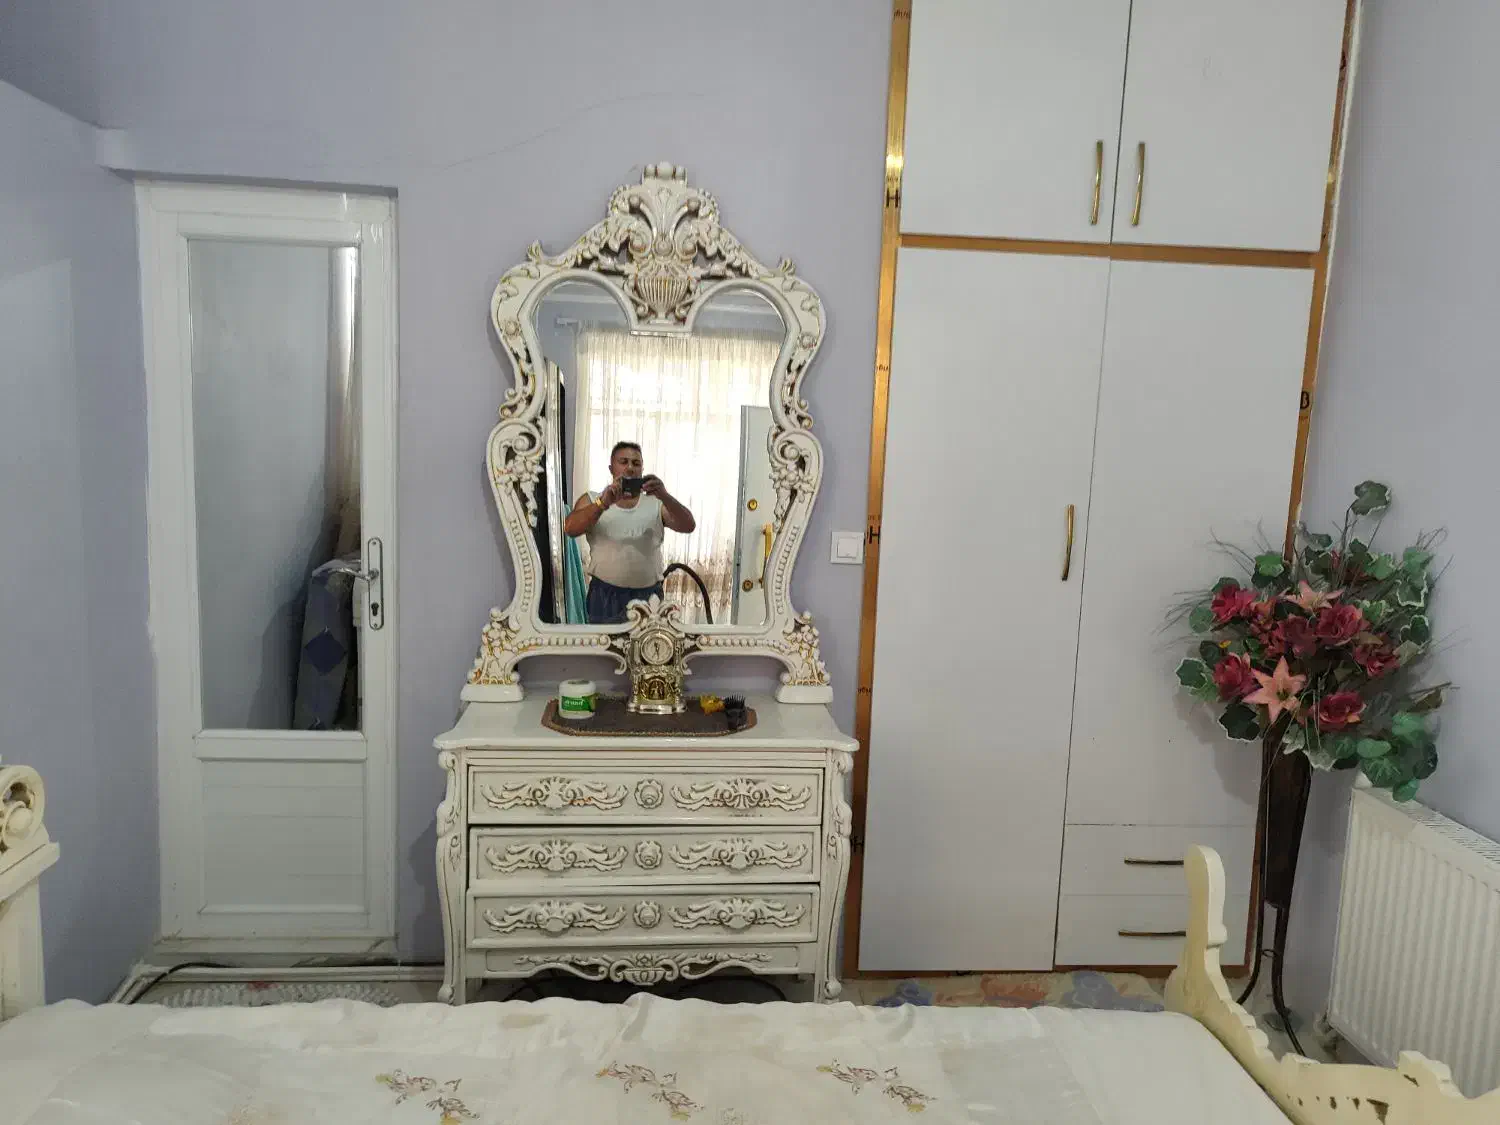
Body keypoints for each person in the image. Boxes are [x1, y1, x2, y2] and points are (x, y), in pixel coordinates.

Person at [564, 441, 696, 624]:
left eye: (636, 463)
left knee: (649, 643)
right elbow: (570, 528)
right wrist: (603, 503)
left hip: (649, 597)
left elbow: (688, 525)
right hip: (604, 596)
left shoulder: (657, 503)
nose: (630, 468)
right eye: (623, 462)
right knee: (603, 643)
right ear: (611, 468)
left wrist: (664, 495)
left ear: (642, 469)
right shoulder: (592, 499)